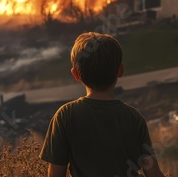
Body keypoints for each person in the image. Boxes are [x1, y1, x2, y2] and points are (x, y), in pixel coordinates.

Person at [40, 32, 165, 177]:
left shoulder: (65, 115)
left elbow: (56, 174)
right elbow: (152, 172)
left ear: (76, 74)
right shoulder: (134, 118)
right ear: (120, 70)